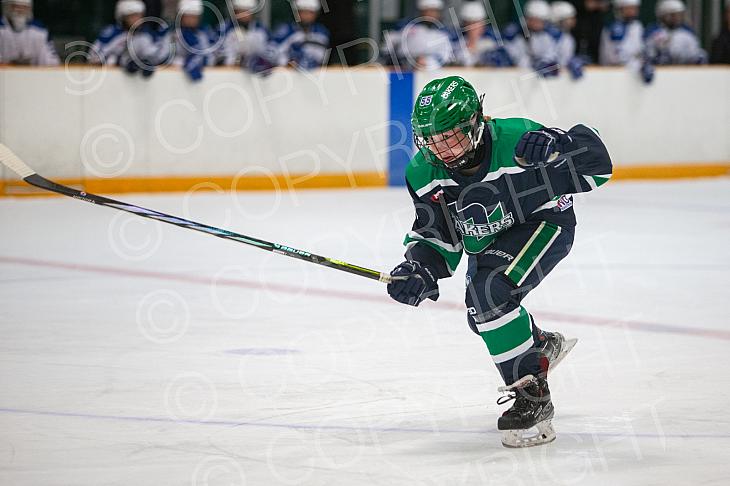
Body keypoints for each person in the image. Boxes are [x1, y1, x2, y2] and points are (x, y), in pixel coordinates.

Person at [386, 76, 613, 448]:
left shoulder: (517, 140)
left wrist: (559, 143)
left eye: (451, 136)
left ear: (475, 122)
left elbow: (598, 165)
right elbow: (438, 234)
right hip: (489, 239)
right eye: (432, 140)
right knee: (483, 315)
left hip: (544, 222)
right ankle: (538, 345)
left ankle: (531, 396)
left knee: (489, 294)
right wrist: (419, 267)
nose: (442, 149)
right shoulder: (423, 173)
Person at [89, 0, 165, 77]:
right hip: (109, 77)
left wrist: (146, 63)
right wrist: (119, 60)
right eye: (132, 16)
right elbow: (93, 57)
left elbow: (158, 56)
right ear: (122, 17)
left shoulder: (146, 34)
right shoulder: (112, 32)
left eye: (139, 15)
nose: (136, 19)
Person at [383, 0, 453, 70]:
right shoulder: (407, 27)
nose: (432, 14)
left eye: (435, 11)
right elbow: (388, 47)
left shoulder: (444, 33)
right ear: (422, 11)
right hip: (406, 70)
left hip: (435, 72)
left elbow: (448, 57)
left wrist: (429, 61)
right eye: (429, 11)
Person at [503, 0, 561, 76]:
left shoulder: (547, 34)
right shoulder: (514, 34)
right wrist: (534, 64)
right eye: (536, 20)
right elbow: (515, 58)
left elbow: (551, 55)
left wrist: (546, 63)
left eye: (542, 20)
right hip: (518, 76)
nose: (539, 24)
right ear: (527, 18)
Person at [216, 0, 275, 73]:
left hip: (256, 75)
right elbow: (218, 57)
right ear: (234, 11)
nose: (244, 15)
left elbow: (273, 52)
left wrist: (262, 60)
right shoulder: (224, 29)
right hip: (230, 74)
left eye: (247, 11)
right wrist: (240, 60)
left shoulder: (261, 29)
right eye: (241, 11)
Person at [166, 0, 217, 81]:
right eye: (188, 16)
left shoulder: (204, 34)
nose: (191, 20)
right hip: (172, 77)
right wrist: (183, 62)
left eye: (195, 17)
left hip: (201, 79)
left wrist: (195, 62)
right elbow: (164, 56)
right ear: (181, 16)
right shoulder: (171, 33)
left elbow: (210, 57)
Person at [272, 0, 329, 70]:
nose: (306, 16)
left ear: (316, 14)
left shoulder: (322, 33)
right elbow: (273, 54)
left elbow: (321, 59)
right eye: (303, 12)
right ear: (297, 12)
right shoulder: (286, 30)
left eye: (310, 12)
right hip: (288, 74)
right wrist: (286, 63)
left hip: (313, 74)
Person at [645, 0, 707, 65]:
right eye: (673, 15)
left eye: (679, 15)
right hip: (662, 71)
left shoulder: (687, 33)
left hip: (684, 70)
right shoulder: (653, 32)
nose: (677, 18)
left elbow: (697, 54)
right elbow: (648, 55)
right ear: (664, 15)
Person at [452, 1, 511, 67]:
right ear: (463, 24)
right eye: (469, 23)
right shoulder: (455, 44)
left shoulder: (493, 44)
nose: (472, 27)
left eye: (476, 22)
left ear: (483, 24)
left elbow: (504, 65)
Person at [0, 0, 59, 65]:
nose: (20, 10)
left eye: (24, 7)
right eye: (15, 6)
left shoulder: (40, 30)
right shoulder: (1, 29)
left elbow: (52, 62)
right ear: (6, 7)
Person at [550, 1, 587, 79]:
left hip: (559, 78)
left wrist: (571, 62)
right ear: (560, 19)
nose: (574, 21)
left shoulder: (568, 37)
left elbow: (564, 60)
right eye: (570, 18)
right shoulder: (548, 36)